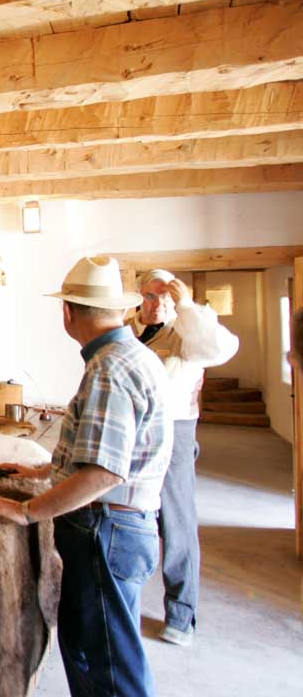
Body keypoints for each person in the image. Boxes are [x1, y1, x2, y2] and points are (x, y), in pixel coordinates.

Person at [0, 256, 172, 697]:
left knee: (110, 667)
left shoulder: (108, 369)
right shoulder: (130, 356)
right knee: (88, 648)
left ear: (68, 311)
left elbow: (104, 472)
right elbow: (109, 451)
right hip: (117, 528)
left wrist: (26, 510)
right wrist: (44, 471)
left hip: (105, 529)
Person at [130, 269, 237, 646]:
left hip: (174, 430)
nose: (157, 304)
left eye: (165, 297)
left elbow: (220, 349)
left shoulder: (189, 331)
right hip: (134, 431)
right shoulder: (132, 330)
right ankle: (125, 602)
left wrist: (188, 306)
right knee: (128, 515)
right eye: (150, 296)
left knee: (176, 521)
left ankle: (181, 613)